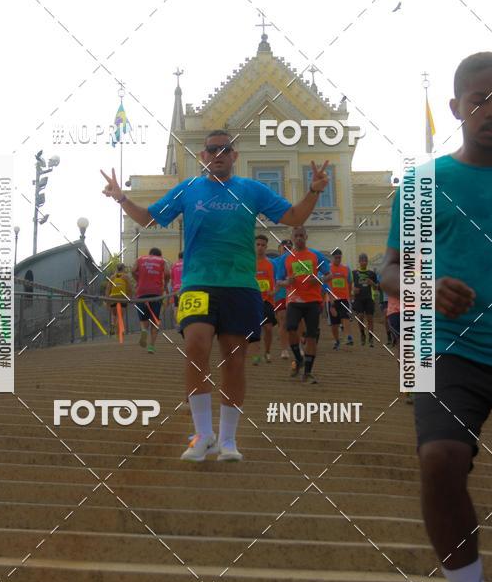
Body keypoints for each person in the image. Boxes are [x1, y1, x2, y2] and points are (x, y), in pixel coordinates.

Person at [380, 51, 492, 582]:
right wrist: (427, 287)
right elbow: (391, 270)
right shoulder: (425, 183)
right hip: (442, 348)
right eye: (480, 99)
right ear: (458, 107)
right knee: (438, 460)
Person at [101, 131, 329, 461]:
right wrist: (122, 198)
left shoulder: (251, 189)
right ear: (203, 156)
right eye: (212, 149)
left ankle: (228, 440)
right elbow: (149, 218)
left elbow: (294, 217)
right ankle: (203, 434)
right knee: (196, 346)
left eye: (225, 149)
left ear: (234, 156)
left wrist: (314, 190)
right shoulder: (189, 188)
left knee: (234, 359)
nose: (218, 154)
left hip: (240, 285)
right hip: (198, 283)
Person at [282, 226, 331, 383]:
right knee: (290, 328)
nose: (299, 238)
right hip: (294, 300)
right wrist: (286, 282)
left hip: (312, 301)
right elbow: (279, 280)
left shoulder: (315, 255)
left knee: (311, 336)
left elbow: (329, 275)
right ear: (292, 237)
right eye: (296, 236)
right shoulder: (286, 258)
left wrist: (319, 279)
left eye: (301, 236)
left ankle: (308, 373)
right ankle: (299, 358)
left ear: (306, 237)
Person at [132, 248, 169, 354]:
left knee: (143, 318)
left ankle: (144, 330)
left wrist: (138, 280)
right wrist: (165, 284)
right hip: (156, 292)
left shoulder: (140, 259)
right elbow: (167, 274)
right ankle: (151, 346)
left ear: (150, 253)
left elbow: (133, 270)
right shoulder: (162, 261)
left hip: (141, 292)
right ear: (159, 255)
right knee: (155, 320)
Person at [248, 234, 276, 365]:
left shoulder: (270, 264)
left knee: (268, 328)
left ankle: (267, 352)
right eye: (258, 244)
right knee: (254, 328)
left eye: (263, 245)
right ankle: (255, 355)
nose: (260, 247)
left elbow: (275, 284)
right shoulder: (249, 263)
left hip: (267, 301)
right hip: (252, 301)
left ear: (266, 247)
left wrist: (273, 291)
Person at [327, 248, 354, 349]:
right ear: (332, 258)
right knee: (334, 324)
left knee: (345, 316)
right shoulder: (327, 269)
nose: (338, 260)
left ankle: (348, 337)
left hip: (344, 298)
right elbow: (324, 284)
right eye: (336, 258)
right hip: (331, 299)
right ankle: (337, 340)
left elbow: (350, 282)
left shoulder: (346, 269)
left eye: (339, 258)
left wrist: (349, 295)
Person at [272, 238, 293, 358]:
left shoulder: (295, 260)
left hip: (294, 295)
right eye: (285, 248)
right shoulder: (274, 262)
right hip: (280, 294)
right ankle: (284, 349)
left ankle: (298, 344)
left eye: (289, 248)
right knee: (283, 321)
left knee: (296, 321)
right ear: (279, 249)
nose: (287, 250)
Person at [352, 253, 378, 347]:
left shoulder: (372, 273)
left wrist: (372, 283)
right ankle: (362, 334)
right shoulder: (354, 273)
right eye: (362, 260)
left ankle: (371, 338)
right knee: (360, 317)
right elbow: (350, 285)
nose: (363, 262)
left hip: (369, 298)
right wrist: (353, 290)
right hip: (358, 299)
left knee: (370, 319)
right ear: (359, 261)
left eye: (365, 261)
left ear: (367, 262)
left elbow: (376, 288)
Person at [105, 263, 132, 335]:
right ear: (123, 269)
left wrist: (107, 301)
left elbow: (107, 289)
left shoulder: (112, 277)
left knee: (114, 315)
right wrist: (130, 297)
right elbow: (129, 288)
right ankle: (119, 332)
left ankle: (113, 325)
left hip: (113, 297)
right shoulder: (125, 277)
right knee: (120, 316)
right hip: (122, 297)